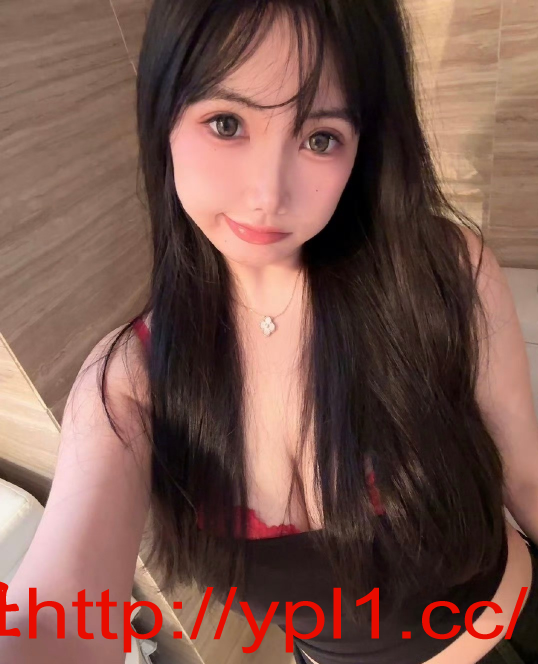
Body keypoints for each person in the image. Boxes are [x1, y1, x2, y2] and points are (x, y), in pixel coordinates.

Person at [3, 1, 538, 663]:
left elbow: (526, 479)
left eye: (320, 138)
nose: (268, 194)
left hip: (514, 630)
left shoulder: (442, 274)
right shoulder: (132, 383)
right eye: (227, 123)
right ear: (164, 117)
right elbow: (55, 614)